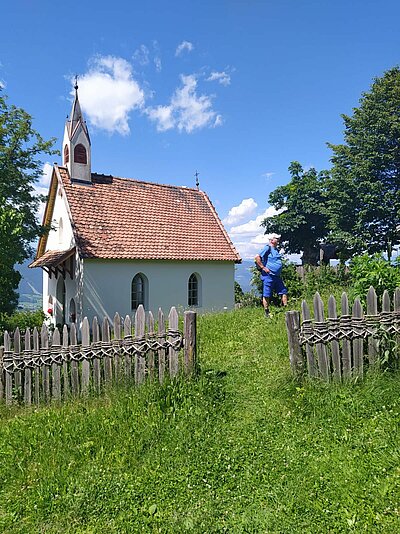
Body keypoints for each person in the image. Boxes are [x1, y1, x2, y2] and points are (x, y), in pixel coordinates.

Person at [255, 236, 288, 318]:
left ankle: (286, 310)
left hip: (277, 276)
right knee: (267, 294)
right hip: (268, 276)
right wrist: (263, 267)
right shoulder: (267, 248)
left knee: (283, 291)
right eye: (277, 238)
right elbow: (257, 257)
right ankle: (267, 312)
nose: (278, 240)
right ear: (272, 240)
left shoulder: (276, 249)